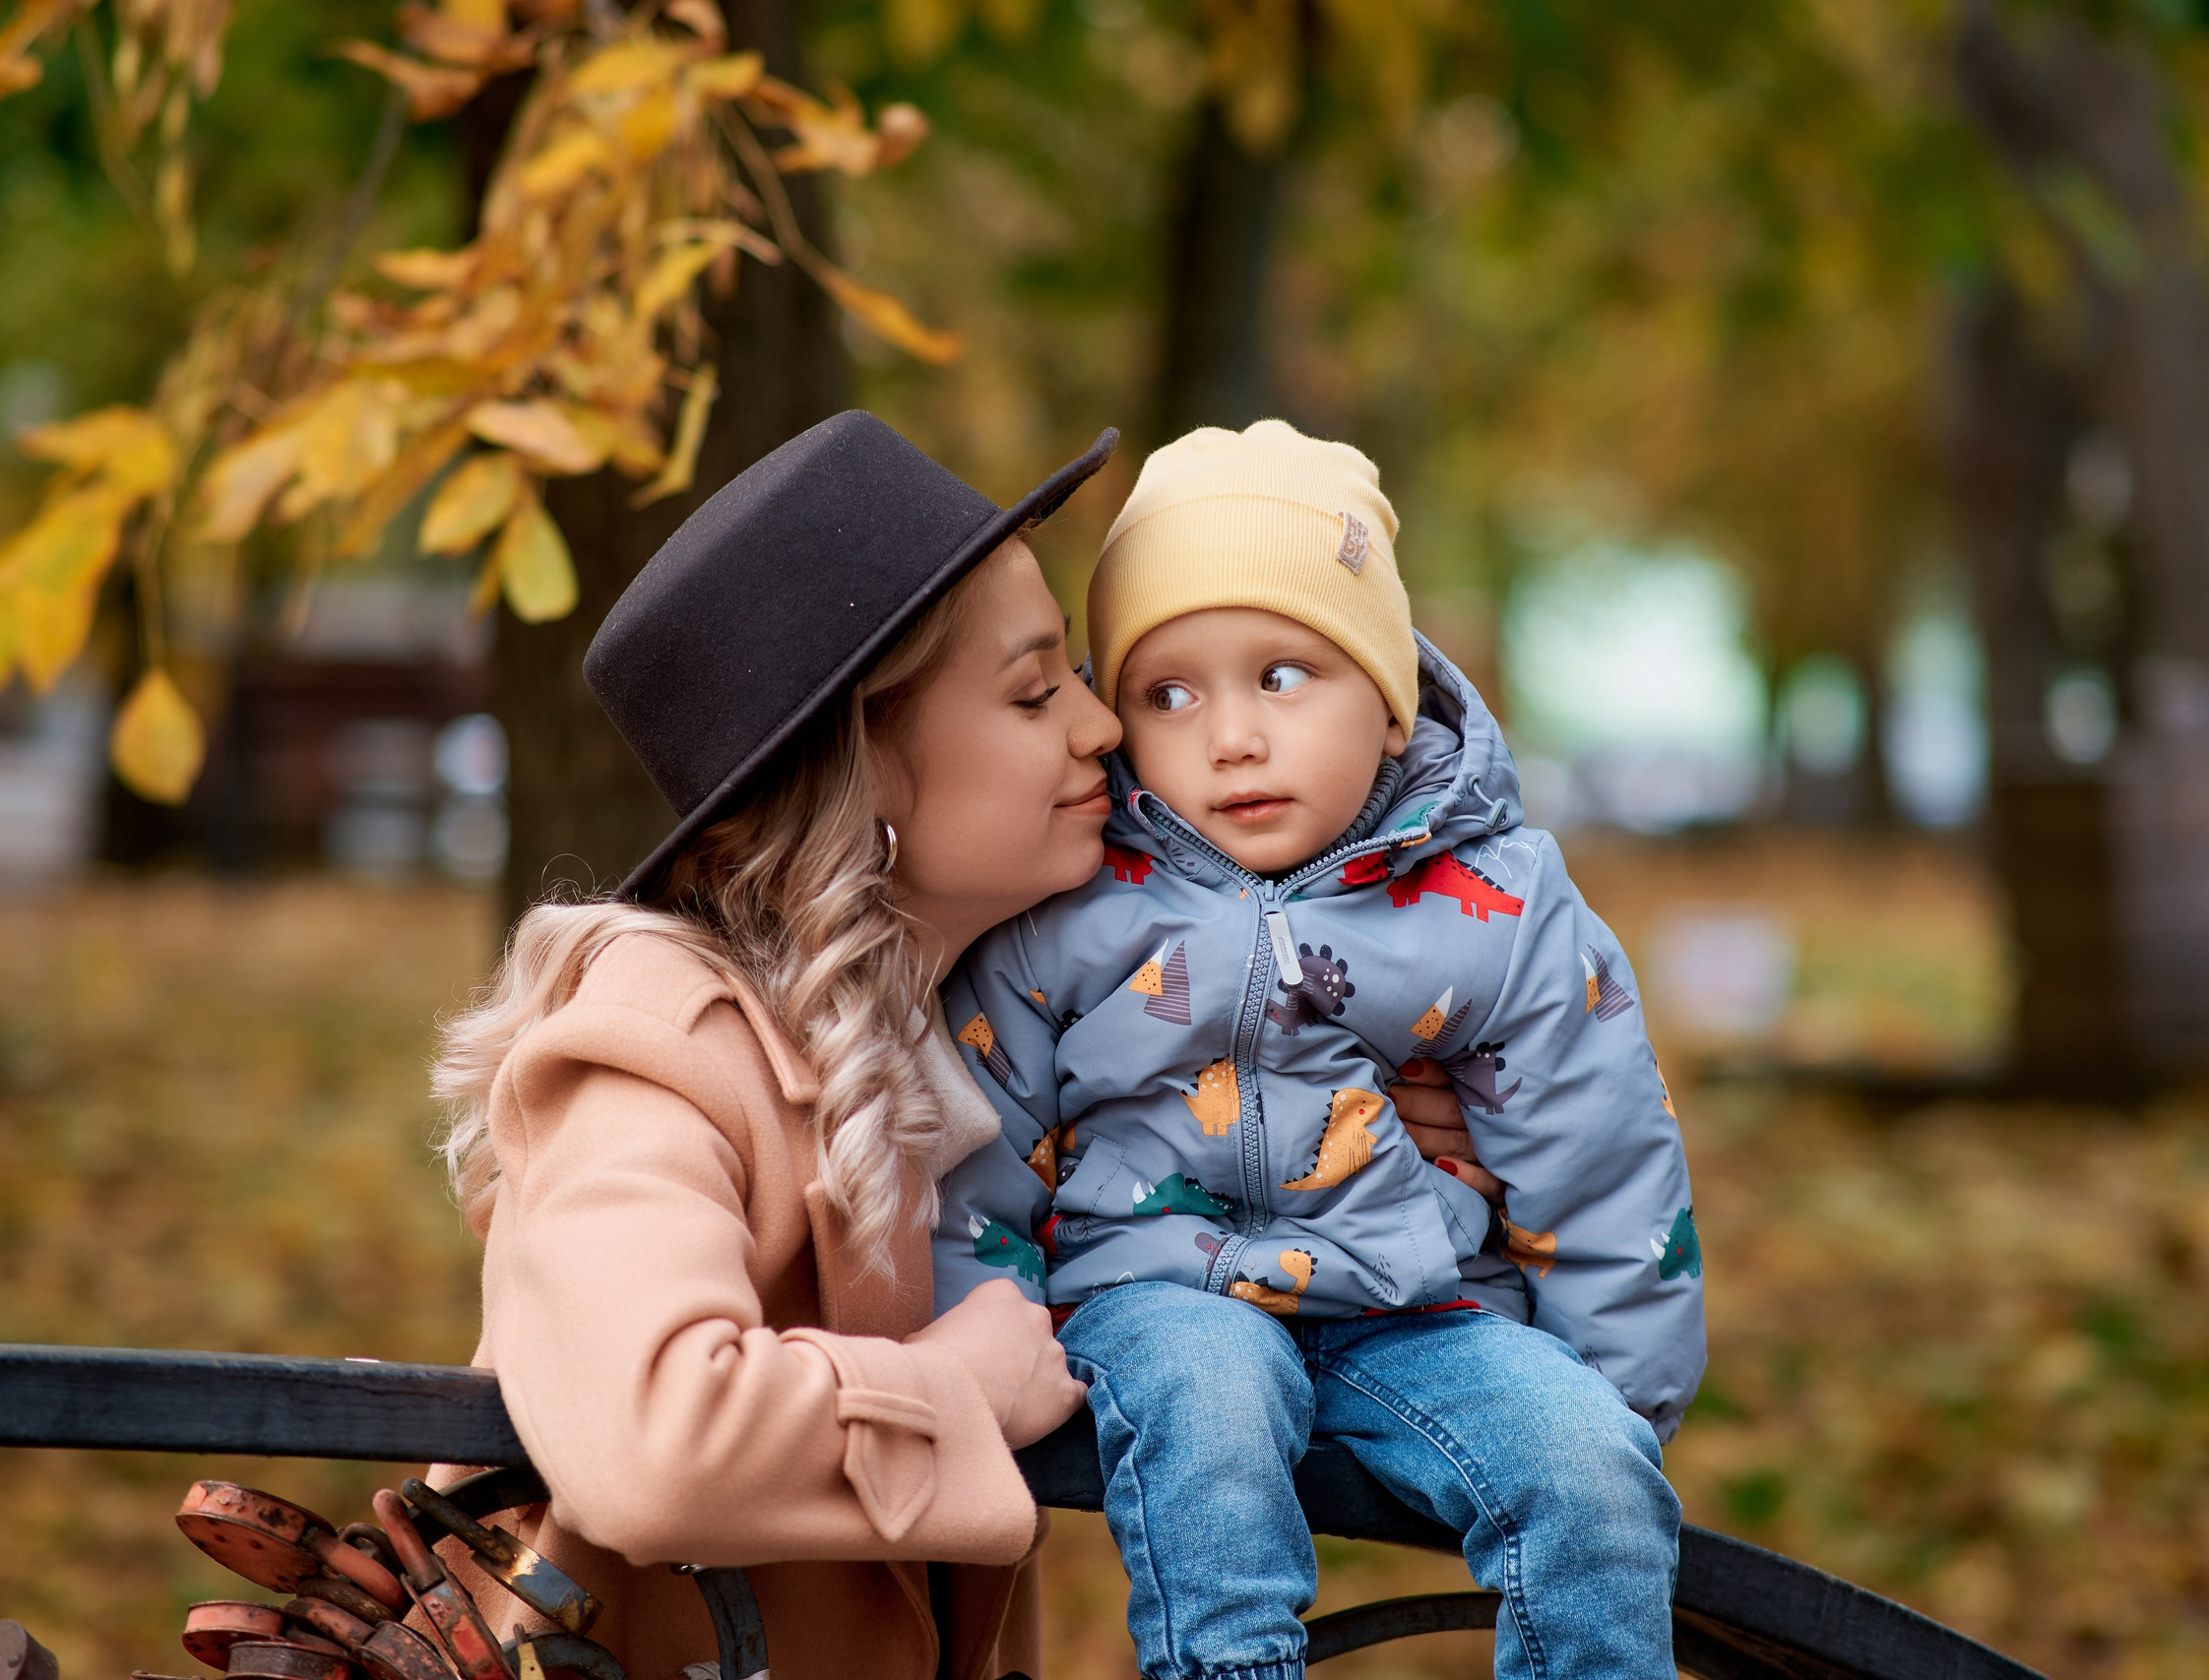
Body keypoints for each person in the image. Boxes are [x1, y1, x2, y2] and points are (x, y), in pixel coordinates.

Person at [932, 420, 1706, 1680]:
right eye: (1167, 694)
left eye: (1282, 676)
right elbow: (978, 1126)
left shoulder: (1497, 902)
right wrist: (983, 1337)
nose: (1230, 736)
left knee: (1588, 1462)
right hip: (1159, 1292)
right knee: (1213, 1396)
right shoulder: (1071, 898)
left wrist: (1616, 1387)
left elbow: (1596, 1138)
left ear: (1389, 702)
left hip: (1416, 1307)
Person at [427, 411, 1116, 1680]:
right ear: (859, 768)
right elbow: (658, 1435)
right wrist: (958, 1386)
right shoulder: (657, 1038)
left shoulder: (1001, 1026)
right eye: (1034, 691)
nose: (1100, 726)